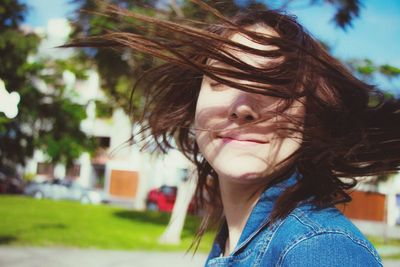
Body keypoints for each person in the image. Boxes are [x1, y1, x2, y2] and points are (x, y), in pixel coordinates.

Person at [66, 2, 400, 266]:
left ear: (311, 115)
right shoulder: (236, 241)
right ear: (194, 104)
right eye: (222, 80)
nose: (243, 106)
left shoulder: (319, 250)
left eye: (274, 86)